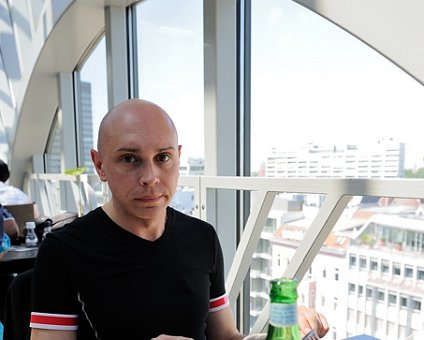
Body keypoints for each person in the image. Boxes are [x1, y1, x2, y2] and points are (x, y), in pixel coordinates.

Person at [30, 99, 329, 339]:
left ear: (178, 157)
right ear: (100, 165)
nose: (150, 178)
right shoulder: (64, 250)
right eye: (129, 159)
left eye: (163, 157)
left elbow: (224, 335)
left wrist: (280, 330)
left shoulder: (202, 238)